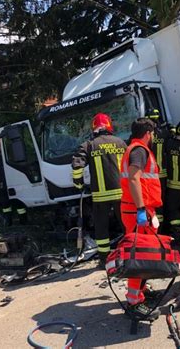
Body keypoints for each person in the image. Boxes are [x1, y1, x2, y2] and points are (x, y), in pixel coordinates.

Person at [71, 113, 127, 268]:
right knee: (127, 225)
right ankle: (131, 255)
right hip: (122, 193)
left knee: (101, 228)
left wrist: (79, 184)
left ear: (94, 128)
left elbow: (77, 166)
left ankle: (105, 260)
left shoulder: (89, 145)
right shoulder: (121, 143)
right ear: (109, 126)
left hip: (100, 196)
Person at [120, 117, 162, 320]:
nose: (153, 137)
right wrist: (141, 209)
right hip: (137, 210)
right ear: (148, 133)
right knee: (140, 255)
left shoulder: (134, 149)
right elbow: (134, 178)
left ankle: (138, 293)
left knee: (143, 254)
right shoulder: (139, 150)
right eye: (152, 133)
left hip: (138, 208)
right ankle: (134, 301)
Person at [0, 138, 27, 226]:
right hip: (0, 183)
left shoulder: (10, 155)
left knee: (18, 201)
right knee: (5, 203)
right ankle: (8, 221)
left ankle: (23, 221)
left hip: (13, 181)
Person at [144, 108, 170, 224]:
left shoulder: (147, 135)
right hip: (163, 173)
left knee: (152, 200)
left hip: (150, 174)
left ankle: (155, 225)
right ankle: (164, 225)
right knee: (162, 199)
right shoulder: (165, 132)